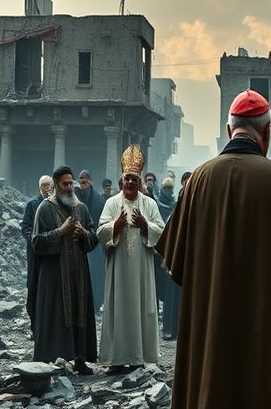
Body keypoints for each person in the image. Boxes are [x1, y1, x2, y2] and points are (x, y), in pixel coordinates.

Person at [157, 89, 271, 409]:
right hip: (265, 327)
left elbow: (175, 263)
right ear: (266, 132)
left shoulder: (197, 182)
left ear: (228, 130)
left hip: (212, 328)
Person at [97, 146, 165, 373]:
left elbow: (162, 232)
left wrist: (145, 225)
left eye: (134, 179)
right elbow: (100, 231)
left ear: (140, 182)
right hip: (118, 266)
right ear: (121, 180)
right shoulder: (111, 203)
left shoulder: (150, 204)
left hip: (141, 268)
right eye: (127, 178)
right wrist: (115, 225)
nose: (130, 183)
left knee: (141, 307)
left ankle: (139, 357)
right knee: (118, 309)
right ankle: (116, 360)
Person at [29, 166, 98, 374]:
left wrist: (83, 233)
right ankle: (50, 362)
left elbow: (94, 237)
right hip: (54, 275)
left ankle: (79, 359)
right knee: (55, 316)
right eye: (65, 184)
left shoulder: (82, 208)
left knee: (79, 314)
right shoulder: (44, 208)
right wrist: (61, 232)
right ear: (56, 185)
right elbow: (36, 242)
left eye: (71, 183)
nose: (69, 187)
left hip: (78, 275)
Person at [22, 174, 53, 332]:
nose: (48, 189)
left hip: (52, 253)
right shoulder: (32, 204)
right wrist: (35, 239)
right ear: (39, 187)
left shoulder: (56, 205)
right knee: (34, 288)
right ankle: (35, 327)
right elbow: (25, 228)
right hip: (35, 254)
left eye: (50, 185)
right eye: (45, 185)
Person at [75, 169, 107, 310]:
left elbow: (102, 222)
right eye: (81, 178)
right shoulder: (74, 197)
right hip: (77, 242)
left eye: (86, 178)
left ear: (90, 180)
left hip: (94, 241)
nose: (83, 181)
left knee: (95, 274)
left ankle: (95, 303)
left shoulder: (99, 200)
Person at [153, 177, 180, 340]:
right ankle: (168, 327)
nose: (169, 191)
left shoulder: (177, 206)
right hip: (168, 256)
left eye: (171, 188)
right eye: (167, 188)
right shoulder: (157, 205)